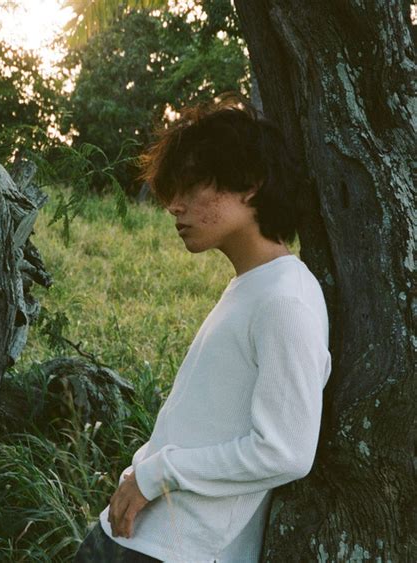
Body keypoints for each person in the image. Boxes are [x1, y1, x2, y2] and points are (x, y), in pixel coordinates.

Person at [74, 91, 332, 562]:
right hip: (133, 535)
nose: (174, 206)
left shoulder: (286, 299)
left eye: (191, 186)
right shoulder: (252, 286)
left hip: (173, 550)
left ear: (250, 185)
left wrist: (155, 475)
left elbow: (286, 451)